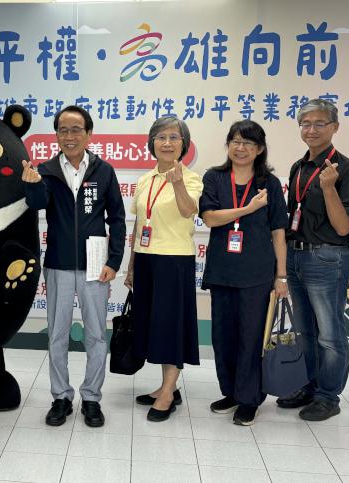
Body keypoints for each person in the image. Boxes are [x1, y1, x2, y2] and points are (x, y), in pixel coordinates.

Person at [22, 105, 126, 428]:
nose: (69, 136)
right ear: (57, 135)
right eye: (63, 130)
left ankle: (91, 397)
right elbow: (37, 204)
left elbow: (117, 218)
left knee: (96, 335)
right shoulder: (46, 170)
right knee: (57, 335)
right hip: (59, 265)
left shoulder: (104, 171)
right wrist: (31, 184)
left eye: (76, 129)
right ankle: (61, 397)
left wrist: (113, 261)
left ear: (88, 134)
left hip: (96, 266)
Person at [275, 99, 349, 421]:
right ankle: (310, 386)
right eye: (305, 123)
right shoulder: (299, 167)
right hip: (297, 256)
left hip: (328, 258)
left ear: (335, 127)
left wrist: (329, 188)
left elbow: (344, 227)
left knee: (330, 334)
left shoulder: (348, 170)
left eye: (319, 123)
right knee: (306, 331)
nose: (311, 130)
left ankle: (328, 396)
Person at [199, 120, 288, 426]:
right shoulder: (214, 177)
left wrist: (281, 275)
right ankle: (232, 392)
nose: (241, 148)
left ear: (259, 149)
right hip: (222, 270)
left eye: (248, 143)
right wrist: (247, 209)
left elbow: (278, 231)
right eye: (236, 141)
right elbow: (210, 218)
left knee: (251, 338)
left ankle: (249, 398)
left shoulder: (269, 184)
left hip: (257, 273)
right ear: (228, 145)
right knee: (223, 337)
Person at [124, 116, 203, 422]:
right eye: (161, 137)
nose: (167, 143)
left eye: (174, 137)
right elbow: (139, 223)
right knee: (154, 325)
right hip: (146, 258)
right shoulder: (145, 179)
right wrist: (131, 265)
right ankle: (166, 385)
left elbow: (188, 210)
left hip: (174, 260)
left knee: (170, 325)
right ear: (152, 143)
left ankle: (168, 392)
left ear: (184, 144)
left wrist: (178, 182)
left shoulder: (192, 178)